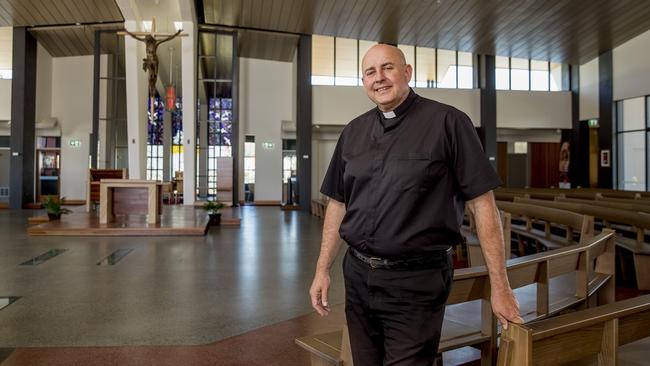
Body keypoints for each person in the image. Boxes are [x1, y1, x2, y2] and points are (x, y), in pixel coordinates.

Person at [309, 44, 522, 366]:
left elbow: (483, 205)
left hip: (417, 281)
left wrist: (501, 286)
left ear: (407, 72)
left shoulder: (449, 123)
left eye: (387, 68)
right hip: (358, 275)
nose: (379, 78)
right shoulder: (353, 131)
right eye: (370, 72)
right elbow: (338, 203)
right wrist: (322, 269)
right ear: (363, 81)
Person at [123, 29, 182, 97]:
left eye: (147, 38)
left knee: (155, 75)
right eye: (146, 38)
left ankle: (153, 87)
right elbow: (135, 37)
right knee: (151, 75)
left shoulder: (156, 42)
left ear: (150, 38)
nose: (146, 39)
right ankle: (151, 88)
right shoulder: (145, 41)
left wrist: (177, 33)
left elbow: (168, 39)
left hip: (155, 61)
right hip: (149, 61)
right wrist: (127, 32)